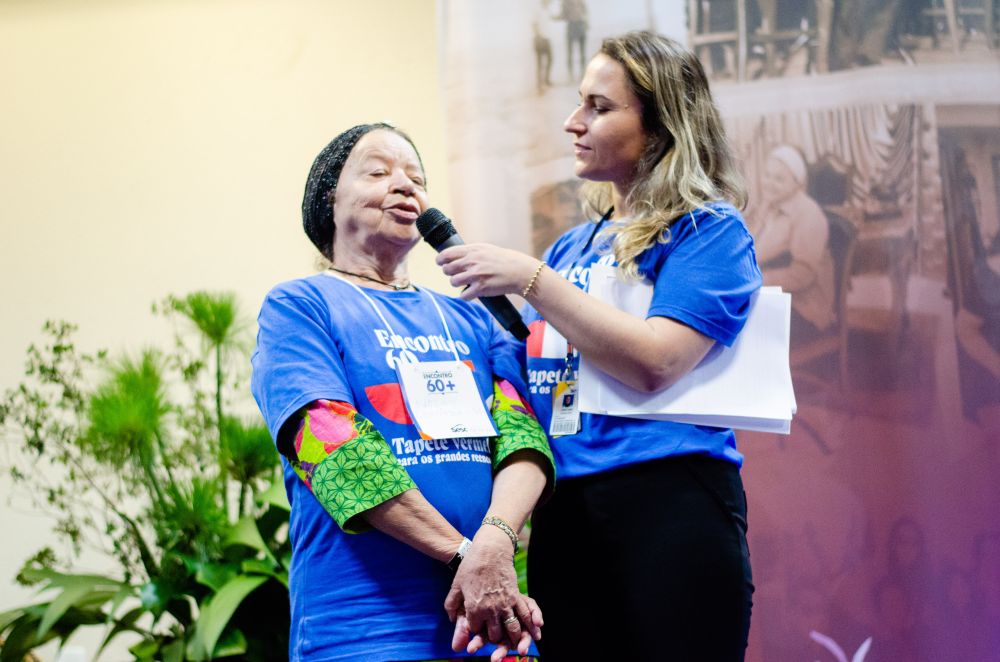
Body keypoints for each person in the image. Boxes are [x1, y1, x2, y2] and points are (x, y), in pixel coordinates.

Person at [435, 32, 761, 660]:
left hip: (670, 498)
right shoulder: (570, 248)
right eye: (580, 102)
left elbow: (656, 362)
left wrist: (530, 278)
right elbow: (532, 380)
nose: (573, 121)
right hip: (567, 509)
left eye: (599, 107)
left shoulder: (709, 231)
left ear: (661, 126)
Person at [250, 123, 555, 662]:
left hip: (491, 617)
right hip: (364, 626)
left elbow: (523, 439)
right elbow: (332, 449)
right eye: (378, 172)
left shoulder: (473, 316)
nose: (404, 184)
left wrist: (494, 542)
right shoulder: (299, 306)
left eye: (416, 177)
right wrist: (467, 558)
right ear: (329, 198)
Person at [751, 144, 836, 344]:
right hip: (772, 298)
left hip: (803, 309)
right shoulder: (768, 207)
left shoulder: (808, 214)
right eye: (767, 175)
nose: (769, 183)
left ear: (797, 183)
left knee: (729, 325)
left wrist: (754, 283)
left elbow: (803, 275)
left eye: (779, 179)